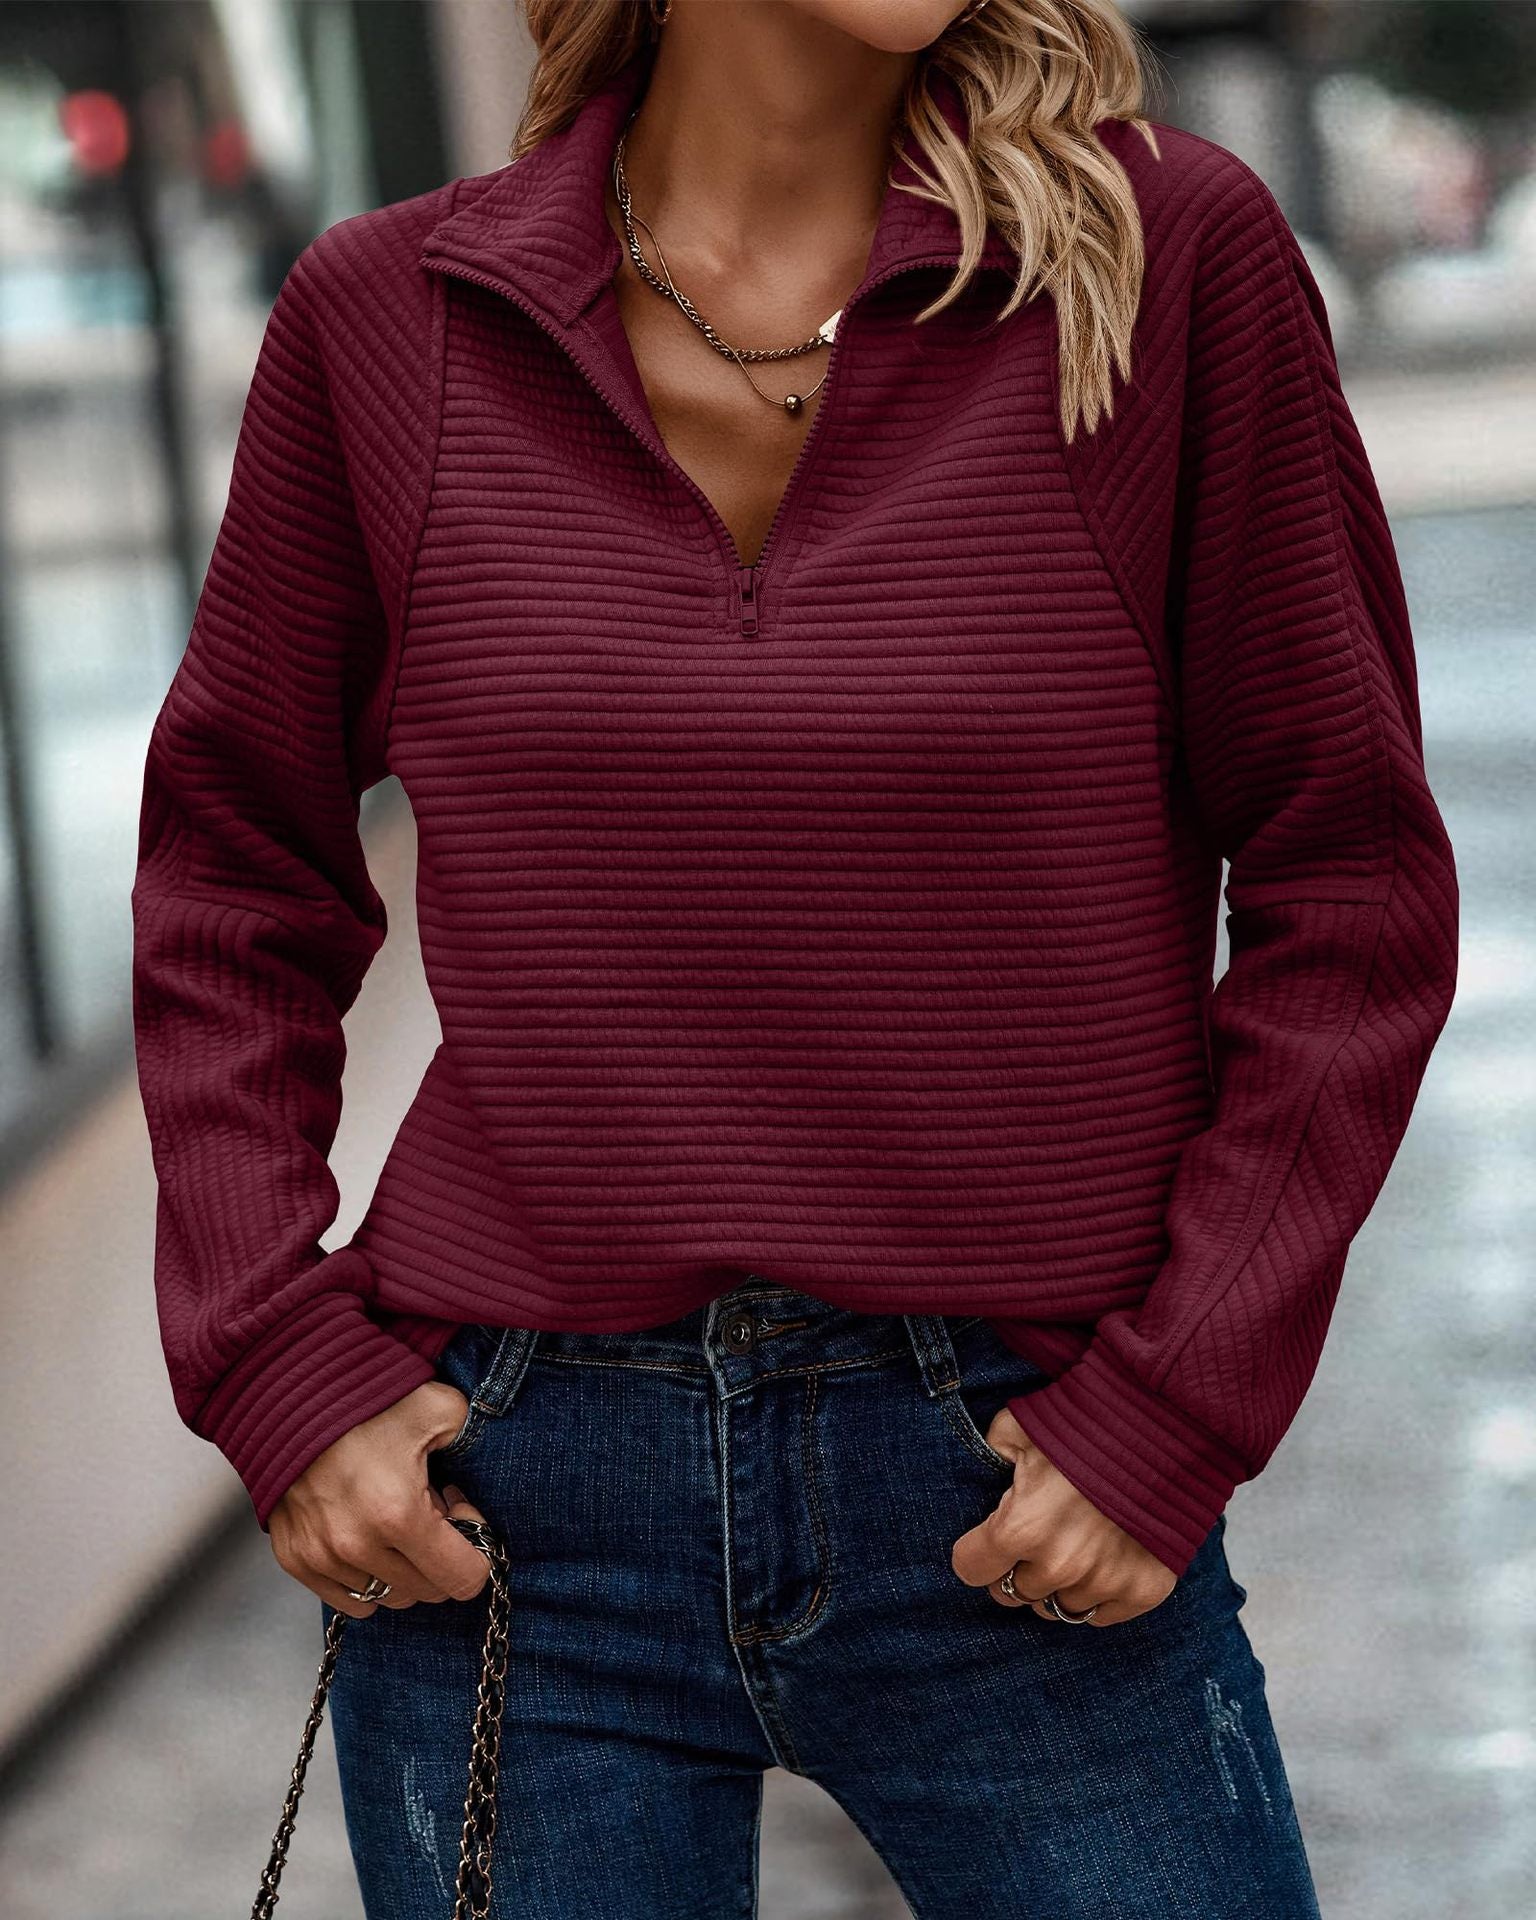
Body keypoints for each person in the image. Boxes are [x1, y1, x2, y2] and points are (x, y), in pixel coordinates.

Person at [129, 0, 1459, 1912]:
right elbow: (230, 879)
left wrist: (1177, 1403)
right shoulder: (383, 321)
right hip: (511, 1499)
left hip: (1018, 1476)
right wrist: (276, 1363)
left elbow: (1352, 887)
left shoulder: (1161, 271)